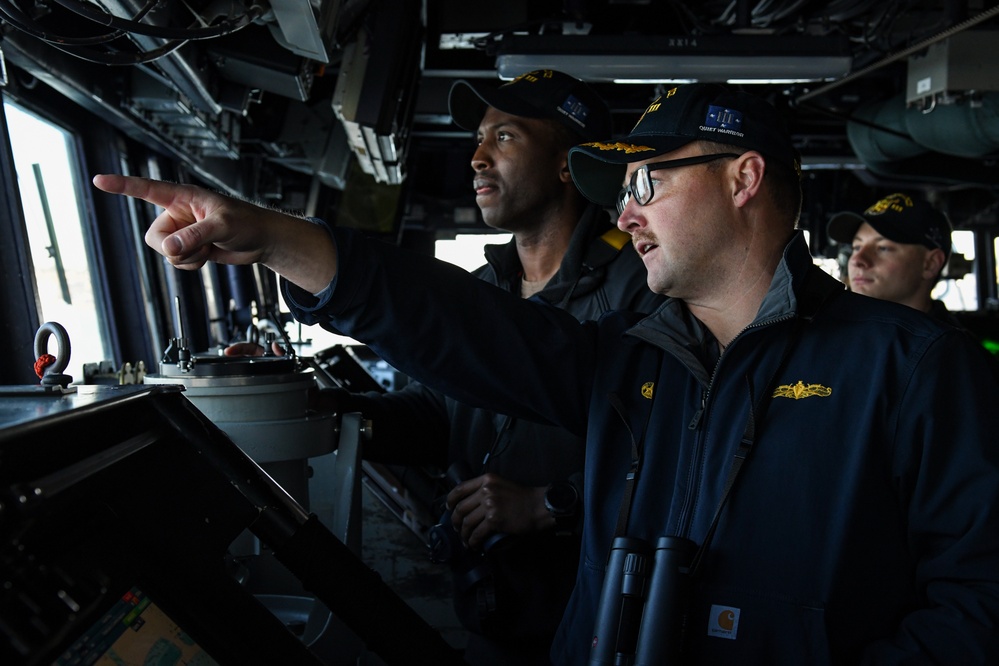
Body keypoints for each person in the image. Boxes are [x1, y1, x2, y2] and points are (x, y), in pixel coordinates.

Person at [93, 81, 999, 665]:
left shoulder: (912, 366)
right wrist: (277, 239)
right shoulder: (632, 364)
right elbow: (465, 329)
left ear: (743, 178)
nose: (628, 214)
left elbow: (980, 604)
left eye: (647, 183)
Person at [221, 68, 663, 666]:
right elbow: (437, 413)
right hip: (491, 606)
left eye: (504, 137)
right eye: (477, 140)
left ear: (568, 163)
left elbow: (676, 448)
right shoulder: (487, 289)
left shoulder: (643, 288)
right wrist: (321, 409)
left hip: (592, 616)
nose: (477, 158)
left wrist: (552, 502)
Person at [826, 192, 960, 324]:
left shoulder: (952, 345)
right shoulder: (838, 331)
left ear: (931, 264)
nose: (857, 260)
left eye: (883, 248)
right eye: (856, 247)